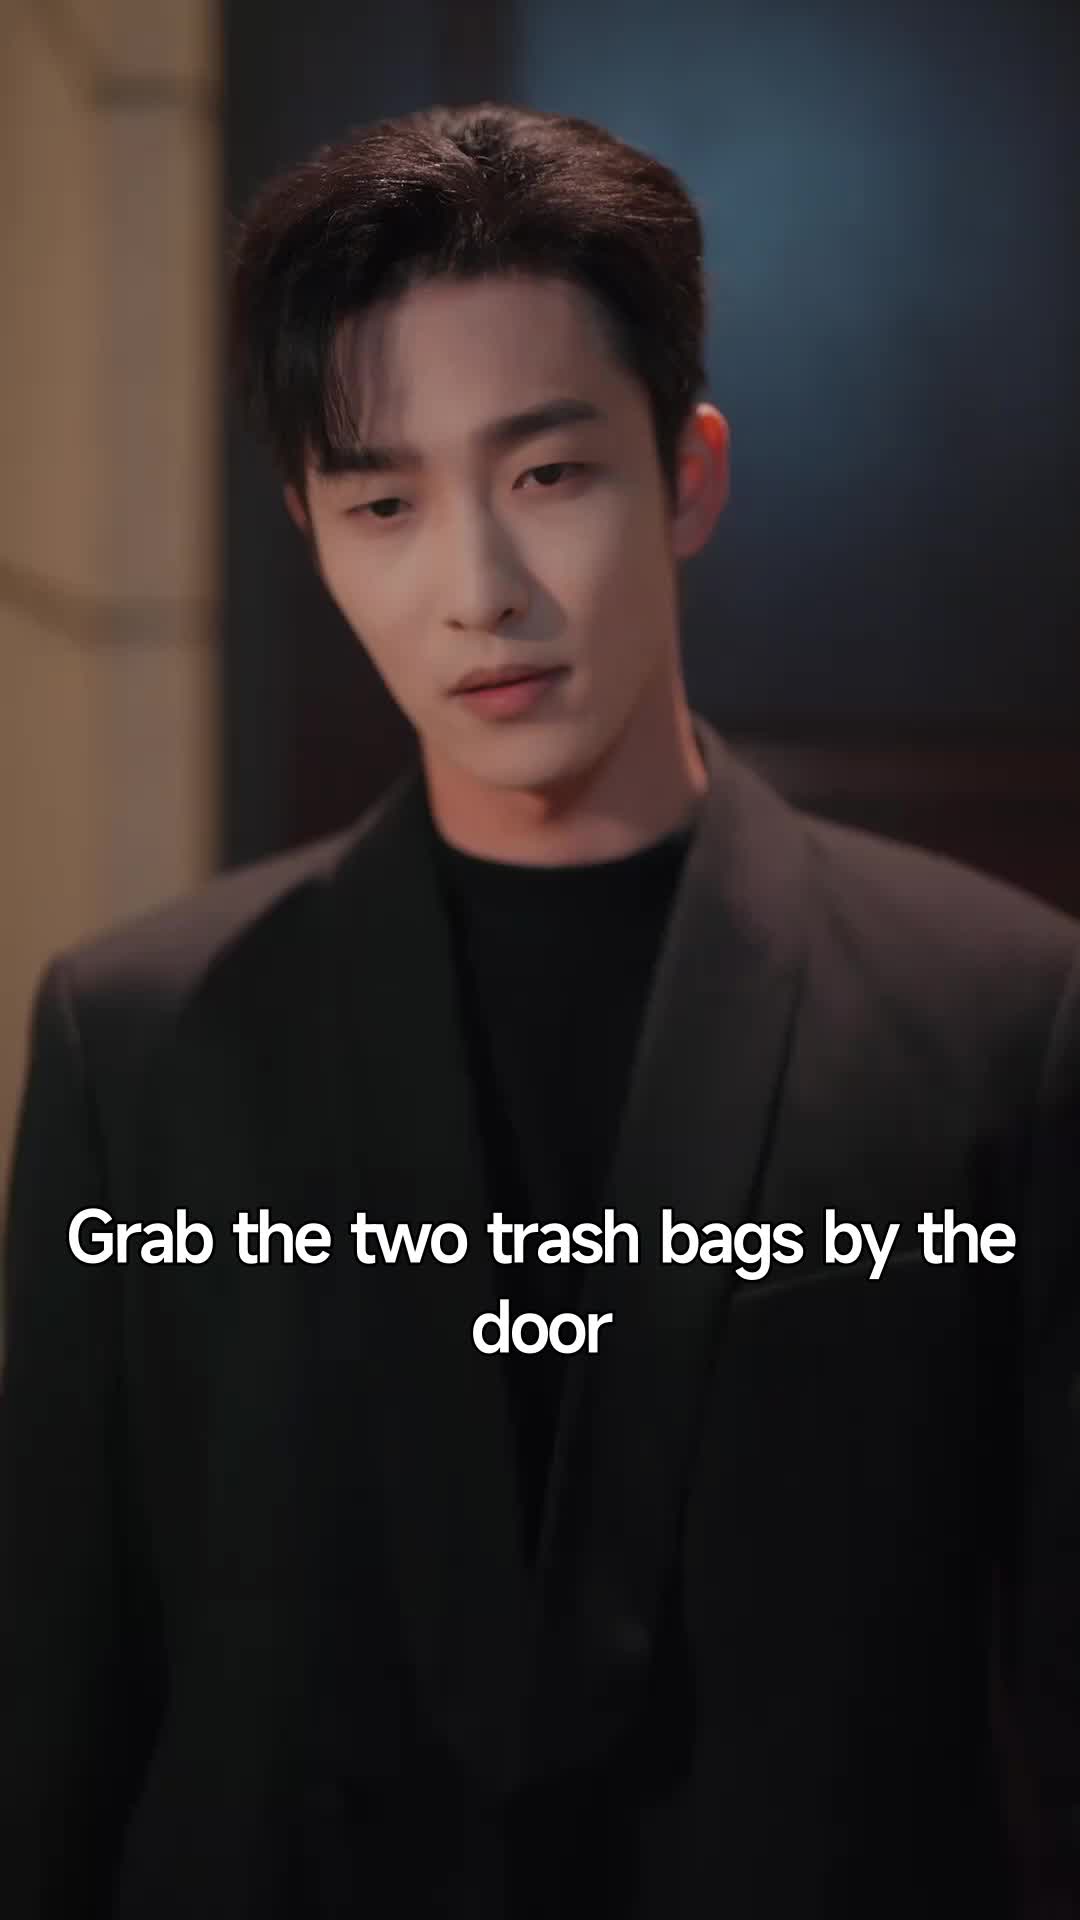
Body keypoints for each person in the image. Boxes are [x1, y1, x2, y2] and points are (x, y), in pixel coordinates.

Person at [1, 100, 1078, 1920]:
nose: (476, 594)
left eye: (550, 475)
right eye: (383, 504)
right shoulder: (141, 1043)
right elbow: (56, 1730)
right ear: (310, 532)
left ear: (689, 474)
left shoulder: (1001, 1020)